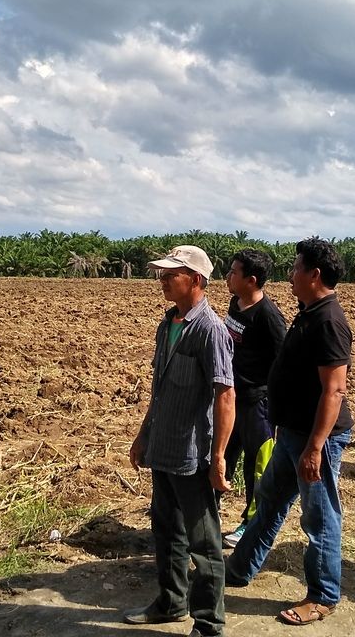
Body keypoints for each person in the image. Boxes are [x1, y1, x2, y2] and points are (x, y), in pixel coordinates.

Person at [225, 238, 354, 626]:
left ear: (314, 274)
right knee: (270, 498)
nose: (290, 274)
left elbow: (334, 390)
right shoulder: (309, 311)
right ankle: (239, 568)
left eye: (296, 267)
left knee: (320, 515)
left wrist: (315, 447)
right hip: (293, 432)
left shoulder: (330, 320)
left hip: (317, 437)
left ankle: (323, 595)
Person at [126, 245, 236, 637]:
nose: (162, 279)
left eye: (171, 274)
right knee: (166, 530)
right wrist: (143, 435)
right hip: (164, 448)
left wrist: (219, 456)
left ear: (197, 280)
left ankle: (208, 624)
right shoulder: (167, 324)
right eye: (162, 273)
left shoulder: (210, 330)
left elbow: (225, 395)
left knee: (203, 543)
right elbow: (159, 391)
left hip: (194, 454)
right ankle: (171, 603)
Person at [220, 249, 287, 548]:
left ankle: (251, 523)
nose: (228, 277)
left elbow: (282, 364)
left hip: (257, 403)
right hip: (230, 397)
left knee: (257, 467)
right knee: (221, 455)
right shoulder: (235, 303)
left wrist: (278, 408)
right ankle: (210, 512)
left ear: (252, 280)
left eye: (234, 272)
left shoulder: (269, 318)